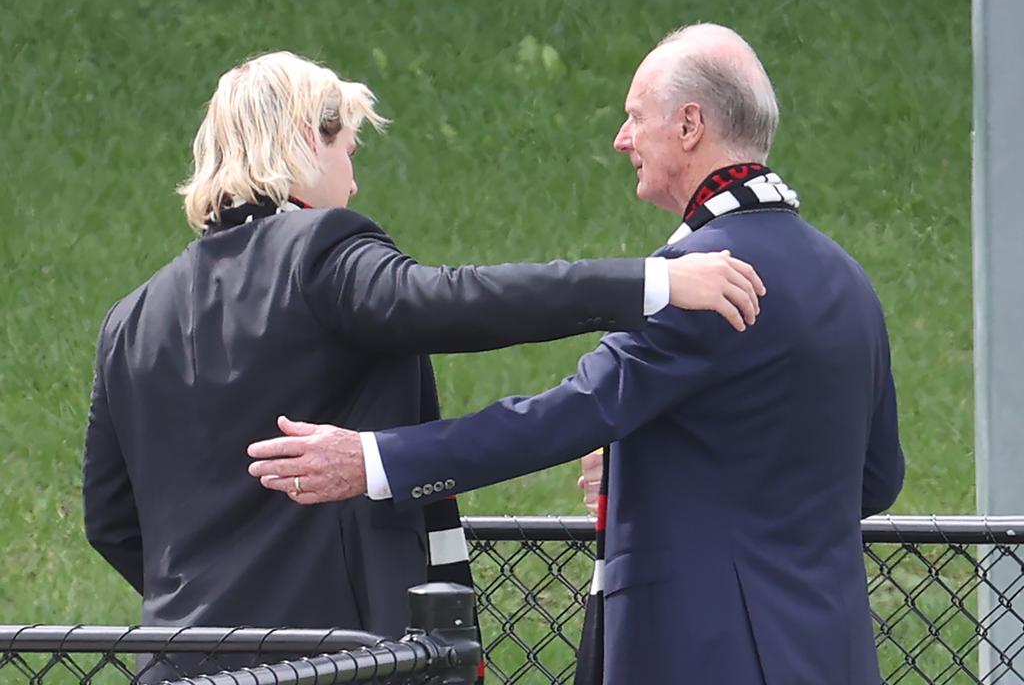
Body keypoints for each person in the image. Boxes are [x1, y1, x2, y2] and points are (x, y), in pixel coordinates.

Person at [247, 25, 905, 685]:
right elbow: (875, 477)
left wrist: (374, 460)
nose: (622, 139)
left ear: (689, 126)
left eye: (633, 117)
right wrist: (654, 464)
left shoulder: (701, 277)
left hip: (709, 651)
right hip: (834, 651)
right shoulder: (848, 278)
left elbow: (567, 415)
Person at [81, 50, 766, 682]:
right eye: (348, 148)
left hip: (184, 661)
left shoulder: (131, 319)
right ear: (307, 143)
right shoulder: (322, 250)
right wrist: (653, 284)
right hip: (334, 659)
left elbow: (110, 518)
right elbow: (453, 299)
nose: (353, 177)